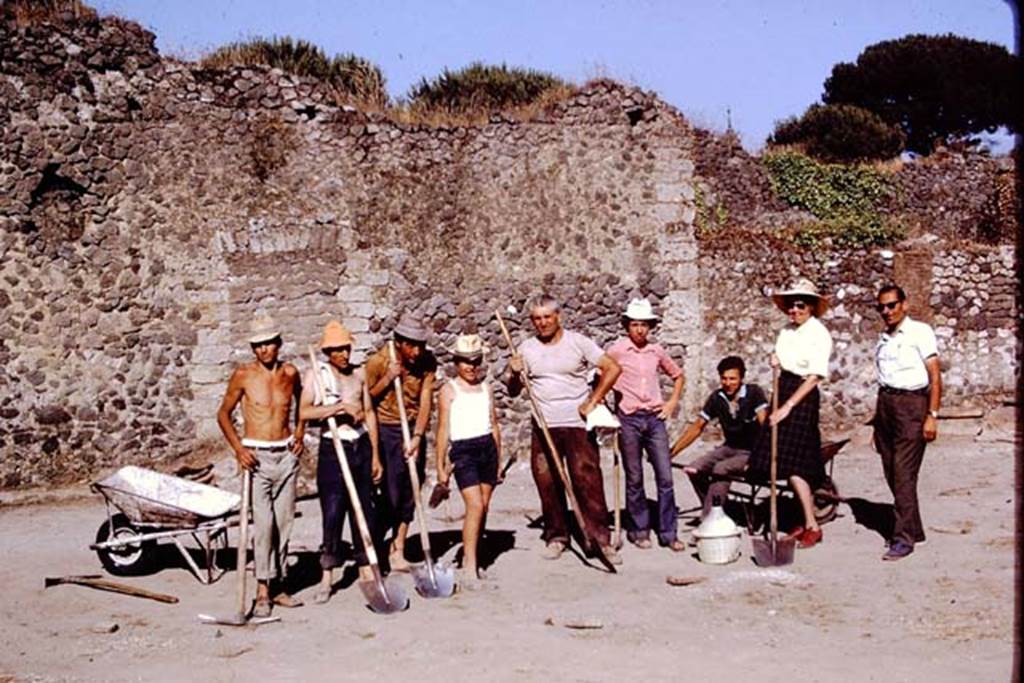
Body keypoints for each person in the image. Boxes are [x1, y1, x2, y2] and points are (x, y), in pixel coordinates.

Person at [506, 295, 623, 564]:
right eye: (536, 318)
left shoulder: (578, 342)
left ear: (558, 316)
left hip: (577, 424)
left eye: (547, 316)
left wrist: (593, 401)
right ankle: (557, 536)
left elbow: (613, 368)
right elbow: (513, 391)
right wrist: (514, 372)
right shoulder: (525, 348)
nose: (542, 323)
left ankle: (599, 540)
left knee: (587, 480)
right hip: (544, 424)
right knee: (547, 481)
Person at [216, 315, 305, 617]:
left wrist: (300, 432)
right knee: (264, 526)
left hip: (286, 456)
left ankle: (279, 585)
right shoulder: (243, 375)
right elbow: (223, 414)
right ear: (253, 349)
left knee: (284, 523)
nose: (265, 350)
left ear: (279, 344)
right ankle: (262, 589)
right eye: (259, 345)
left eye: (269, 343)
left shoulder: (291, 373)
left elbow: (302, 403)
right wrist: (239, 449)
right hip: (257, 458)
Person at [298, 321, 382, 603]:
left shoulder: (359, 374)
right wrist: (339, 408)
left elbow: (369, 412)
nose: (344, 355)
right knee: (333, 511)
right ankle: (327, 575)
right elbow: (305, 412)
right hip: (333, 448)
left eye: (346, 348)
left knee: (364, 510)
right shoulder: (316, 375)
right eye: (337, 351)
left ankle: (365, 567)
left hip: (360, 446)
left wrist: (376, 455)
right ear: (328, 352)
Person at [747, 278, 833, 549]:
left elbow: (814, 376)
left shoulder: (818, 333)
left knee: (794, 464)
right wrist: (776, 359)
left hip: (801, 396)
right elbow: (783, 359)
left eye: (800, 305)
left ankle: (812, 525)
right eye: (790, 307)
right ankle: (798, 518)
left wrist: (787, 407)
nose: (794, 311)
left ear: (811, 307)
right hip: (783, 387)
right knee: (775, 460)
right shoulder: (786, 330)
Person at [605, 298, 686, 551]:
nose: (639, 330)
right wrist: (608, 410)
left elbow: (678, 375)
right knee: (635, 477)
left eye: (644, 325)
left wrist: (671, 403)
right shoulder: (617, 350)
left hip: (654, 419)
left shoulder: (656, 351)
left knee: (665, 476)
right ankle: (639, 529)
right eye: (635, 324)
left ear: (650, 327)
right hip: (628, 419)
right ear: (627, 325)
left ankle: (668, 532)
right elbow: (599, 374)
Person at [872, 284, 942, 561]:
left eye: (891, 305)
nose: (886, 311)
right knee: (891, 470)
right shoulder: (883, 338)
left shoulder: (920, 332)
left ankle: (902, 539)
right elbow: (884, 378)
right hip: (886, 406)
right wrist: (877, 420)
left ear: (904, 304)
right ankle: (915, 529)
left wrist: (932, 416)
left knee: (903, 474)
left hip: (912, 405)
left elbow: (935, 377)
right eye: (881, 307)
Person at [365, 313, 437, 572]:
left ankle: (399, 549)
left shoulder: (427, 362)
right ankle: (373, 547)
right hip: (387, 430)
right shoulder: (379, 362)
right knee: (390, 494)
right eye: (411, 345)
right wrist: (387, 379)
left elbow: (426, 399)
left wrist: (418, 436)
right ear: (398, 342)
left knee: (410, 490)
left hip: (412, 429)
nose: (416, 351)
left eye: (420, 345)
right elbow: (366, 400)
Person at [435, 334, 502, 587]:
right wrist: (440, 466)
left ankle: (475, 557)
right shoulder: (448, 390)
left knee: (483, 506)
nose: (471, 367)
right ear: (456, 362)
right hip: (463, 451)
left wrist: (499, 457)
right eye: (465, 361)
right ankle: (469, 567)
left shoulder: (486, 389)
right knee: (474, 505)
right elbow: (442, 430)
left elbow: (494, 425)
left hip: (487, 448)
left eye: (476, 361)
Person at [671, 356, 768, 519]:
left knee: (721, 469)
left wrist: (758, 458)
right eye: (724, 378)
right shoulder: (717, 397)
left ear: (741, 378)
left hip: (750, 452)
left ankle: (709, 520)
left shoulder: (754, 393)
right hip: (729, 447)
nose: (728, 383)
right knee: (694, 469)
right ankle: (718, 508)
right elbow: (697, 427)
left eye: (732, 379)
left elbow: (766, 427)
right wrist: (672, 452)